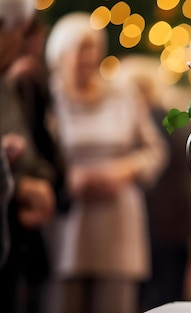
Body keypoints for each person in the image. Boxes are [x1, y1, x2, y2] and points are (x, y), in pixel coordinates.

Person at [45, 13, 167, 313]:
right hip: (68, 218)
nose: (88, 57)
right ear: (59, 54)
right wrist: (65, 178)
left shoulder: (123, 95)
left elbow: (155, 150)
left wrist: (123, 171)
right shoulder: (48, 98)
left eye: (93, 48)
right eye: (80, 49)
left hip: (118, 218)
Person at [116, 55, 191, 311]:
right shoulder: (176, 120)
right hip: (178, 221)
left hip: (149, 223)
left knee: (149, 299)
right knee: (174, 295)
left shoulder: (140, 124)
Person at [1, 0, 57, 311]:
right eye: (19, 35)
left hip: (15, 236)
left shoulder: (6, 84)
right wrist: (22, 186)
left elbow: (34, 152)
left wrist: (41, 181)